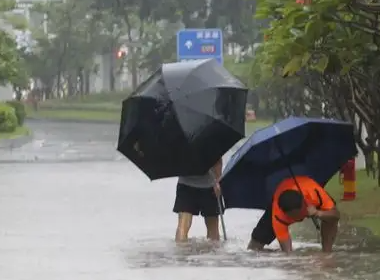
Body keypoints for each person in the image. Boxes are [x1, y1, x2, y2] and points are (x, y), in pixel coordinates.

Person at [247, 176, 340, 253]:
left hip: (307, 187)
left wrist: (318, 213)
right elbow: (287, 252)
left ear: (304, 204)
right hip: (280, 196)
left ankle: (327, 252)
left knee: (329, 218)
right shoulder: (278, 216)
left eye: (300, 215)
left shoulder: (316, 193)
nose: (298, 219)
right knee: (253, 249)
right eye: (293, 217)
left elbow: (336, 216)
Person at [173, 158, 223, 242]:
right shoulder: (211, 144)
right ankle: (215, 254)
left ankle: (179, 253)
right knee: (213, 228)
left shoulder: (181, 145)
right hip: (209, 185)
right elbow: (217, 160)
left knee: (183, 225)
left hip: (185, 185)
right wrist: (218, 181)